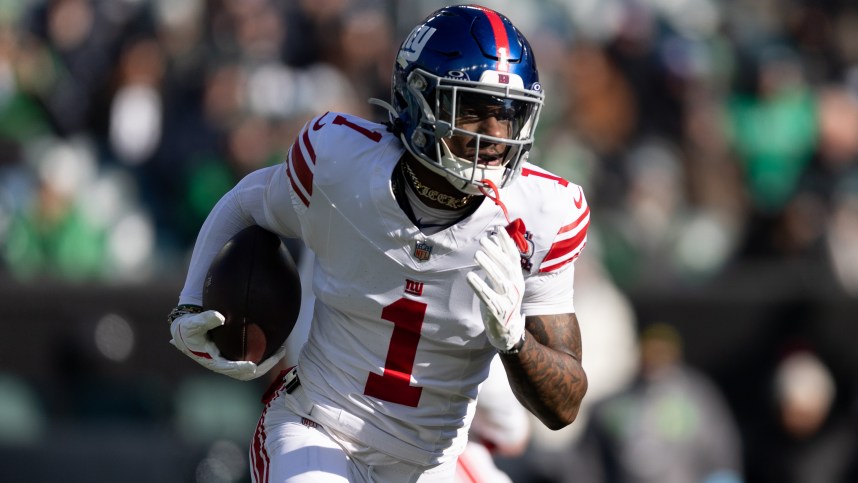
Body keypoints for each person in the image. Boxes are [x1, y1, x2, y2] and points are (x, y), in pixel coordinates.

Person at [167, 5, 590, 482]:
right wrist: (187, 303)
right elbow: (248, 200)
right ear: (418, 99)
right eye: (471, 111)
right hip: (320, 429)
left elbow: (564, 406)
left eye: (508, 115)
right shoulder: (340, 163)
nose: (494, 137)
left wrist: (515, 342)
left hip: (432, 465)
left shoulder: (542, 214)